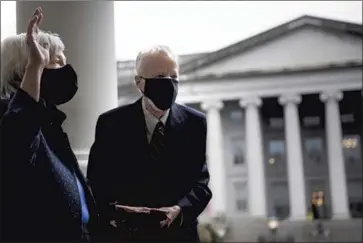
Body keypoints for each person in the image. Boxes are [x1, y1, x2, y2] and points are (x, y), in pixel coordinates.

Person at [87, 45, 212, 241]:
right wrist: (114, 211)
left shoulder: (194, 123)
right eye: (161, 77)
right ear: (139, 83)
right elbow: (96, 182)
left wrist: (179, 210)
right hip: (127, 235)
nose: (169, 83)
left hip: (179, 235)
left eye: (174, 76)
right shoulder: (111, 123)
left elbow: (201, 185)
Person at [0, 7, 98, 241]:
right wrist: (36, 66)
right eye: (55, 63)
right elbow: (17, 145)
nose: (66, 70)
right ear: (22, 72)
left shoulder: (50, 121)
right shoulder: (8, 113)